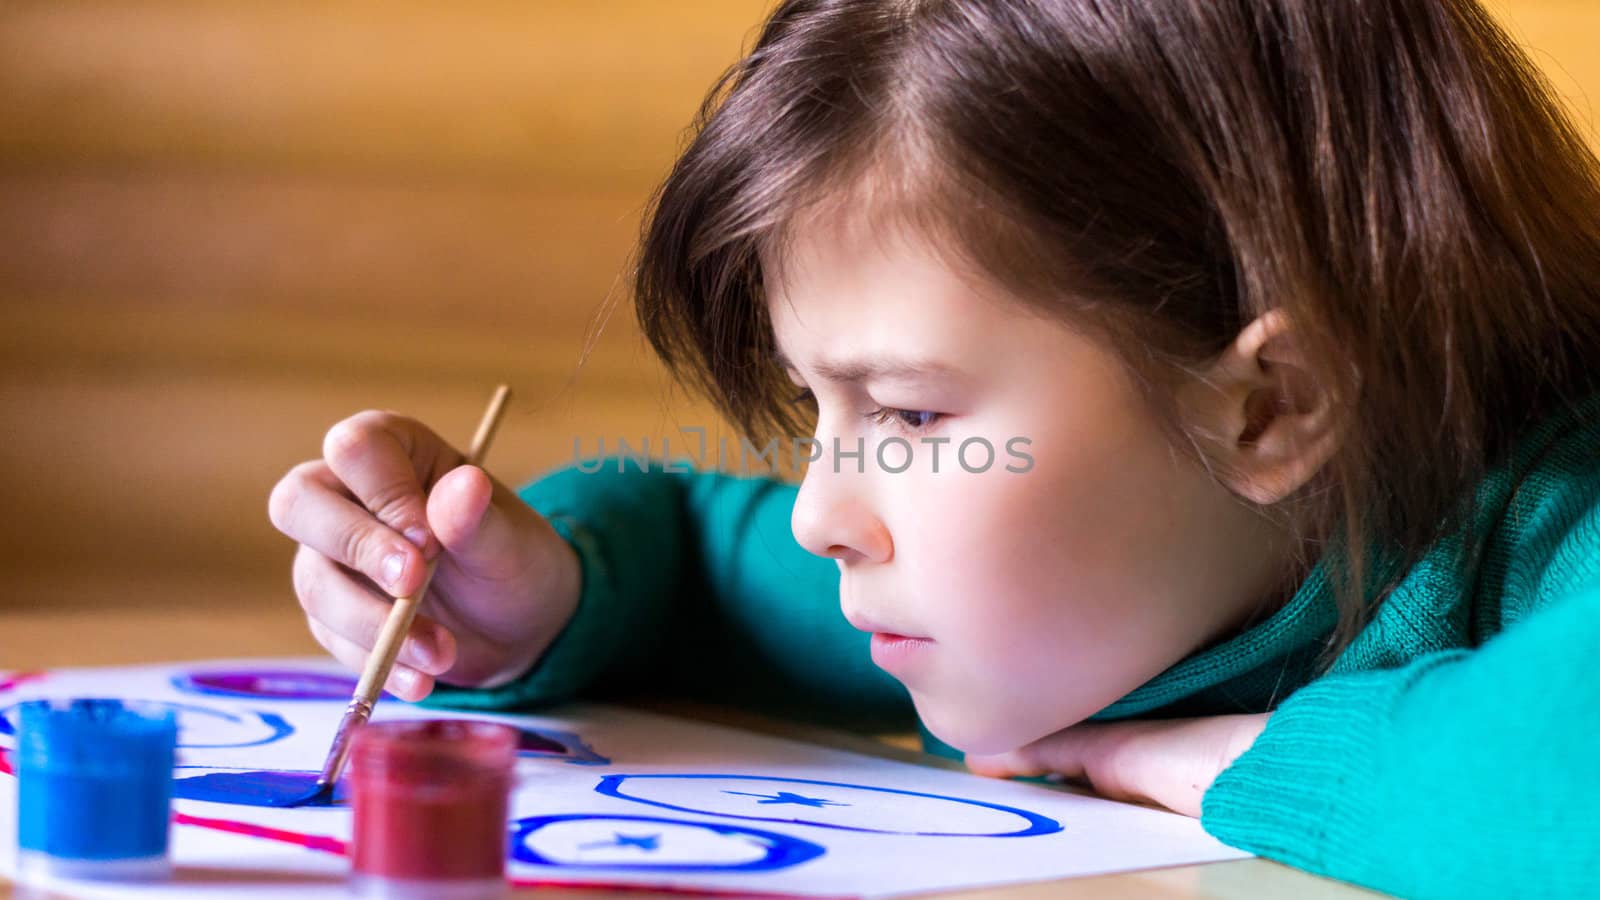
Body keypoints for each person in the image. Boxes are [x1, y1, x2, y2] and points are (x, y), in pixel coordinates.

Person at [267, 1, 1600, 895]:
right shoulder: (1119, 564)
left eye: (905, 416)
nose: (818, 515)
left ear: (1269, 407)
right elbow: (687, 547)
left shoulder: (1559, 516)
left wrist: (1253, 762)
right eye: (814, 408)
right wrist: (540, 601)